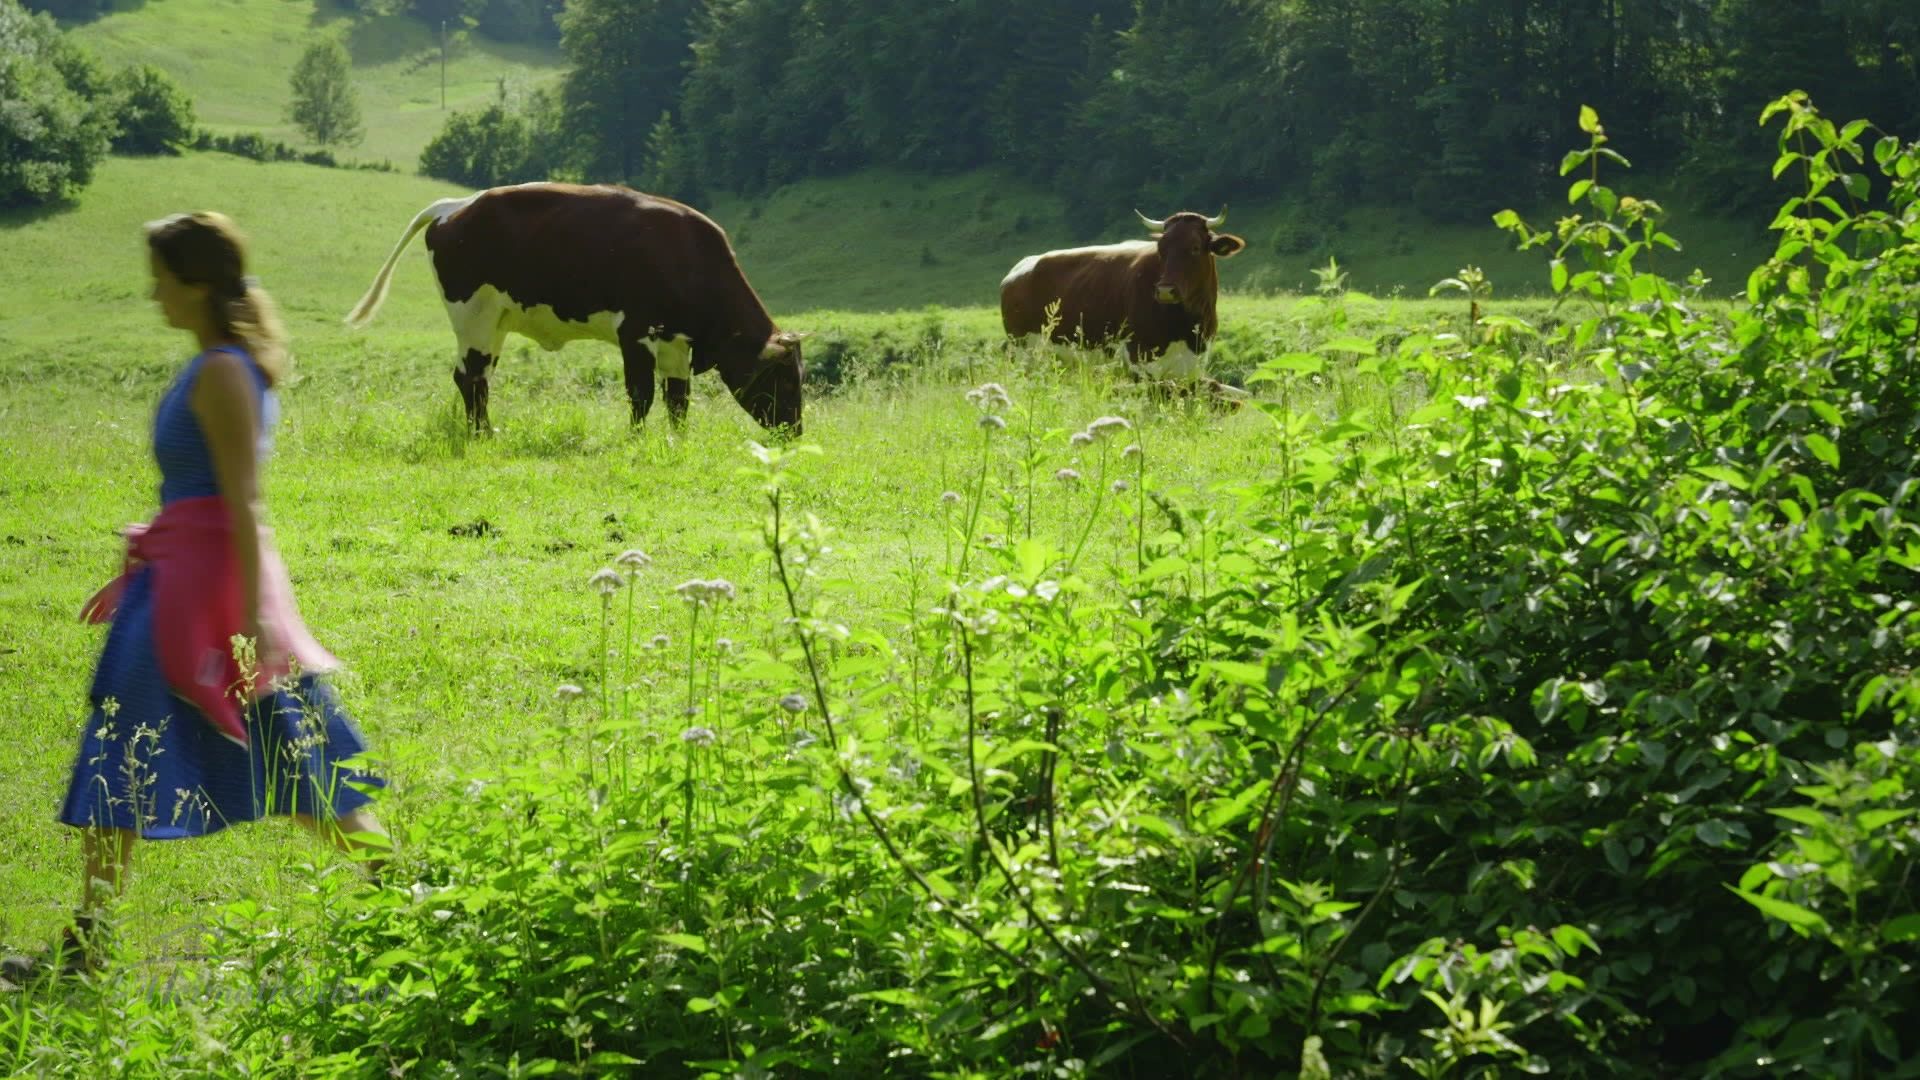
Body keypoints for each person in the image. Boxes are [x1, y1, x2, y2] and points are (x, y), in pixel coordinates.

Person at [1, 212, 386, 984]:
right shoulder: (217, 363)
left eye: (163, 279)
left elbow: (244, 501)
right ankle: (88, 939)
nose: (153, 295)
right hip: (177, 582)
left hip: (207, 597)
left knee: (282, 760)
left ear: (198, 284)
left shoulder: (221, 372)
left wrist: (248, 621)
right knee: (128, 750)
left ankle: (412, 891)